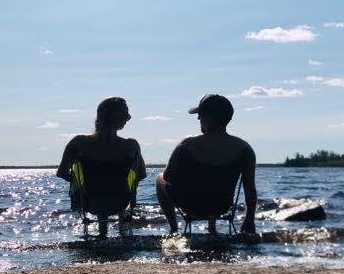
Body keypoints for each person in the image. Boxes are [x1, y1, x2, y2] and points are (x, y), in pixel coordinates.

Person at [156, 94, 257, 234]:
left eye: (200, 116)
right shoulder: (244, 148)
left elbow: (168, 177)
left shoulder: (187, 145)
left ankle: (173, 229)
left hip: (190, 205)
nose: (199, 121)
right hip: (221, 207)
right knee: (215, 186)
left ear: (208, 118)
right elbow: (250, 189)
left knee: (160, 178)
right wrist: (249, 219)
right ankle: (212, 227)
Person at [56, 97, 147, 238]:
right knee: (121, 188)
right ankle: (123, 231)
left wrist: (81, 182)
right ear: (117, 118)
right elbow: (141, 175)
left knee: (96, 190)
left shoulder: (79, 143)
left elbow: (62, 173)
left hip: (89, 203)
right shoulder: (131, 146)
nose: (127, 119)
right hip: (120, 202)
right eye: (125, 116)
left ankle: (102, 233)